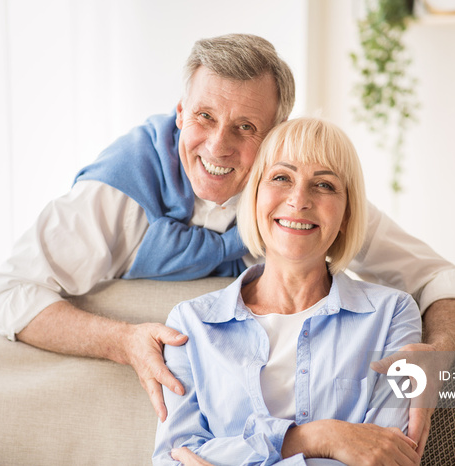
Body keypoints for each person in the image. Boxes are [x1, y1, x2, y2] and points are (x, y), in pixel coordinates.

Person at [0, 33, 455, 456]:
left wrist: (439, 358)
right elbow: (5, 293)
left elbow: (447, 283)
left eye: (246, 127)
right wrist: (124, 341)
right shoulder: (115, 194)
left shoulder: (304, 202)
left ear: (275, 137)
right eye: (203, 117)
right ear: (179, 112)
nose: (219, 146)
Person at [154, 117, 422, 465]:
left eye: (324, 185)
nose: (299, 200)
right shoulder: (191, 324)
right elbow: (173, 459)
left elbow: (387, 458)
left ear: (346, 214)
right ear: (253, 199)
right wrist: (319, 437)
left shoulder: (392, 315)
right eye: (281, 177)